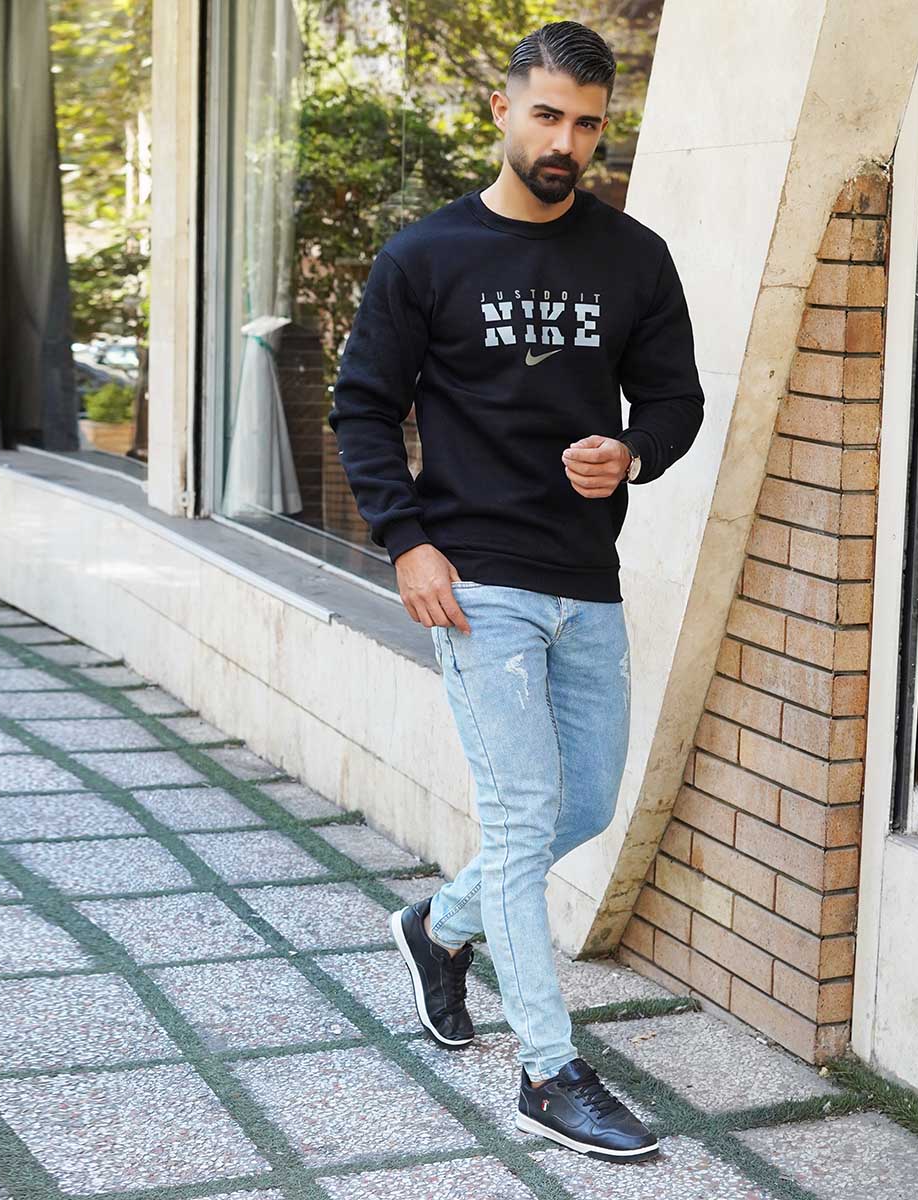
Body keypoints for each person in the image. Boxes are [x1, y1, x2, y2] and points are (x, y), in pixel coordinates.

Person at [327, 19, 703, 1164]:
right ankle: (549, 1070)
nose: (565, 143)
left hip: (586, 576)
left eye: (587, 124)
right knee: (525, 814)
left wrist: (632, 452)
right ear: (502, 110)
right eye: (547, 116)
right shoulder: (426, 257)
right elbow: (361, 407)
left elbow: (676, 401)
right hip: (475, 581)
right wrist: (407, 543)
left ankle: (438, 927)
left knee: (583, 806)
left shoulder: (634, 258)